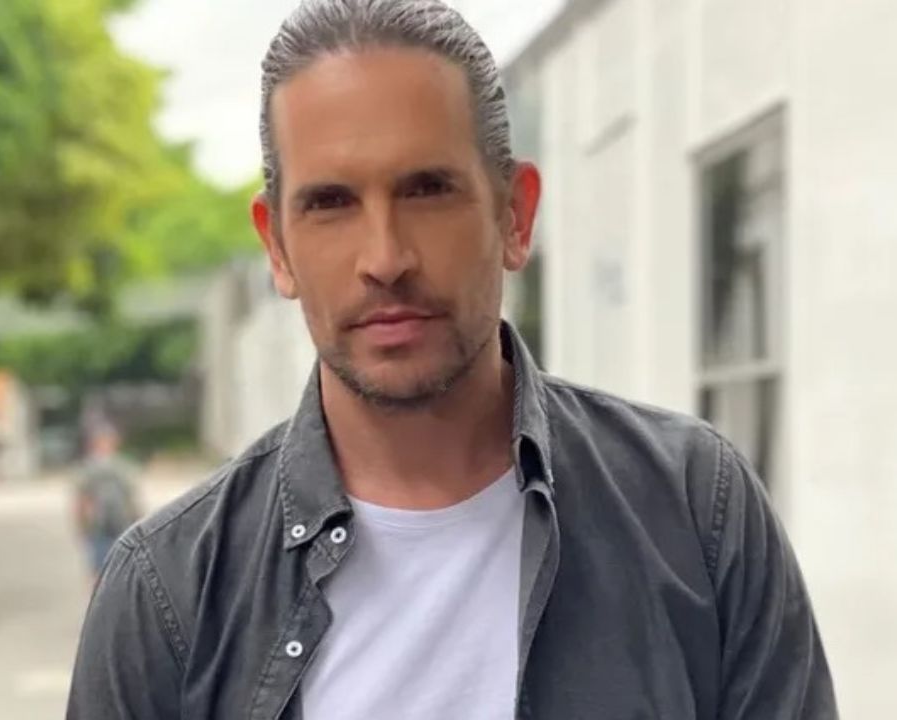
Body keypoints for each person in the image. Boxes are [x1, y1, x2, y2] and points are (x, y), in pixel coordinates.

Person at [68, 1, 837, 718]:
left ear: (515, 215)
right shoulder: (169, 593)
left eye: (428, 189)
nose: (385, 258)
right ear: (277, 246)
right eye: (331, 203)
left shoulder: (695, 510)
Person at [74, 424, 141, 579]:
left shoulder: (122, 467)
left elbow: (131, 497)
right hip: (99, 525)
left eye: (108, 441)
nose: (105, 445)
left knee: (123, 566)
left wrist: (137, 519)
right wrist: (82, 525)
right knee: (98, 568)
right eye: (102, 441)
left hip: (122, 523)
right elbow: (82, 500)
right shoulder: (89, 468)